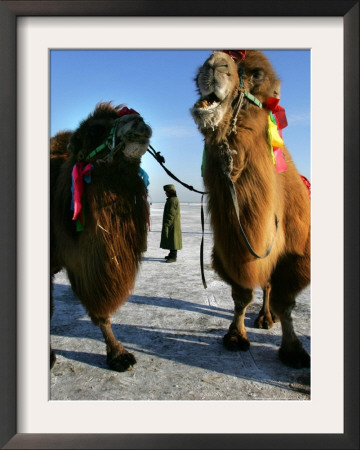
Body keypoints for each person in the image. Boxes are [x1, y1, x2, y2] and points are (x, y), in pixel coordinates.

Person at [160, 184, 182, 263]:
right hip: (172, 223)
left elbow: (171, 214)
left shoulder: (172, 200)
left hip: (172, 224)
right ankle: (171, 254)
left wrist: (167, 224)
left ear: (170, 192)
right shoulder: (172, 199)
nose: (165, 193)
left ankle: (173, 256)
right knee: (171, 239)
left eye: (166, 192)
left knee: (173, 239)